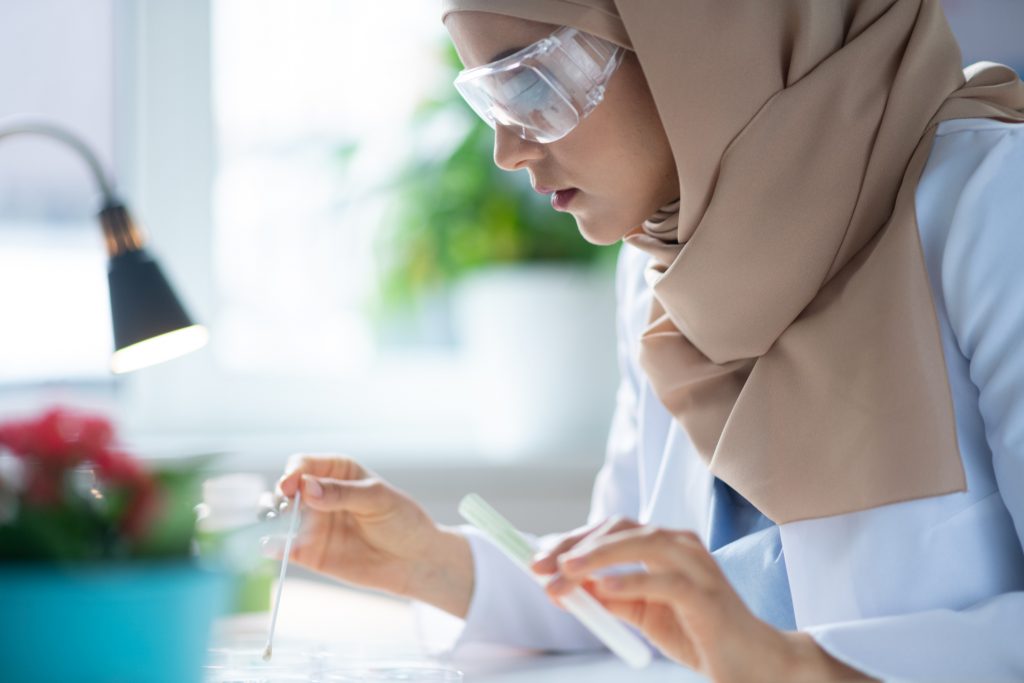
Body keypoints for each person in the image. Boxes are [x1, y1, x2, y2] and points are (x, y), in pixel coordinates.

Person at [276, 1, 1024, 680]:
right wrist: (430, 561)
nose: (506, 149)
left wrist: (794, 666)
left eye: (531, 85)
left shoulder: (991, 201)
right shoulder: (660, 265)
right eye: (488, 100)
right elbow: (636, 593)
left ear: (704, 34)